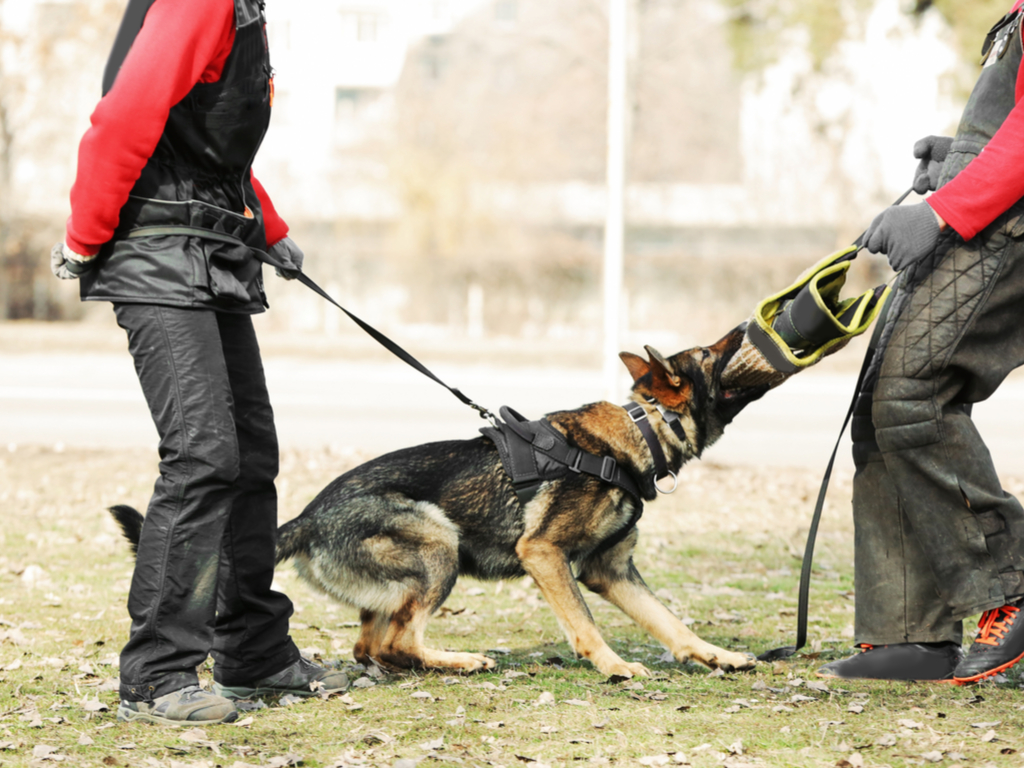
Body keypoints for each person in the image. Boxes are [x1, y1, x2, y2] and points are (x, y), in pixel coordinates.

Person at [51, 0, 348, 723]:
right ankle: (156, 674)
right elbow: (124, 120)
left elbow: (208, 149)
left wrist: (269, 231)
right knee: (203, 454)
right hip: (156, 252)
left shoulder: (241, 9)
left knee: (249, 454)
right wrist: (84, 237)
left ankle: (253, 653)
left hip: (207, 247)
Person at [817, 1, 1024, 682]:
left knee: (913, 398)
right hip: (983, 213)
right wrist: (962, 158)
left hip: (1002, 231)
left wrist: (942, 210)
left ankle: (1011, 585)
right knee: (882, 402)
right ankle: (911, 629)